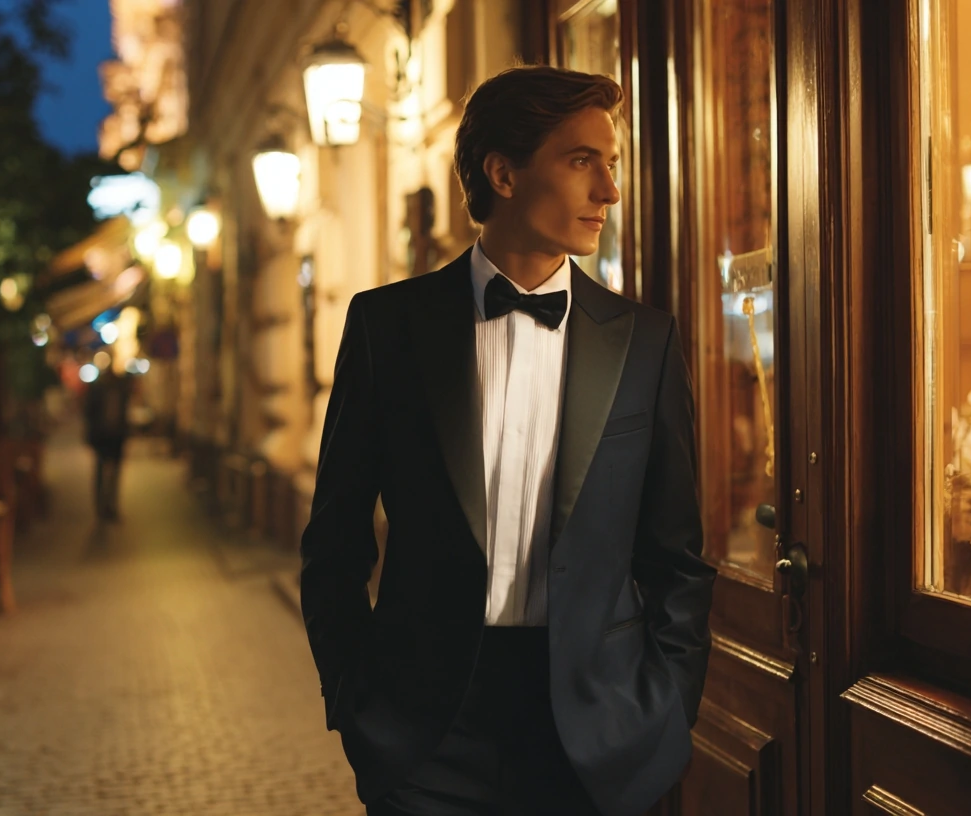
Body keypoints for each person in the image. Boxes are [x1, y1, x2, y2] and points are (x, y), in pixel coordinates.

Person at [300, 65, 716, 816]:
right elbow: (334, 543)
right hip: (425, 733)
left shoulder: (644, 342)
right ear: (504, 173)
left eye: (611, 164)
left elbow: (677, 559)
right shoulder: (387, 327)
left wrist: (664, 707)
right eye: (582, 160)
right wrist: (356, 701)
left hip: (599, 731)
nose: (609, 192)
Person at [84, 364, 133, 522]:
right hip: (102, 437)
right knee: (101, 472)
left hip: (116, 437)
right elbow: (89, 413)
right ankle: (101, 508)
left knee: (114, 474)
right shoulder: (98, 391)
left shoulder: (120, 391)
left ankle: (110, 506)